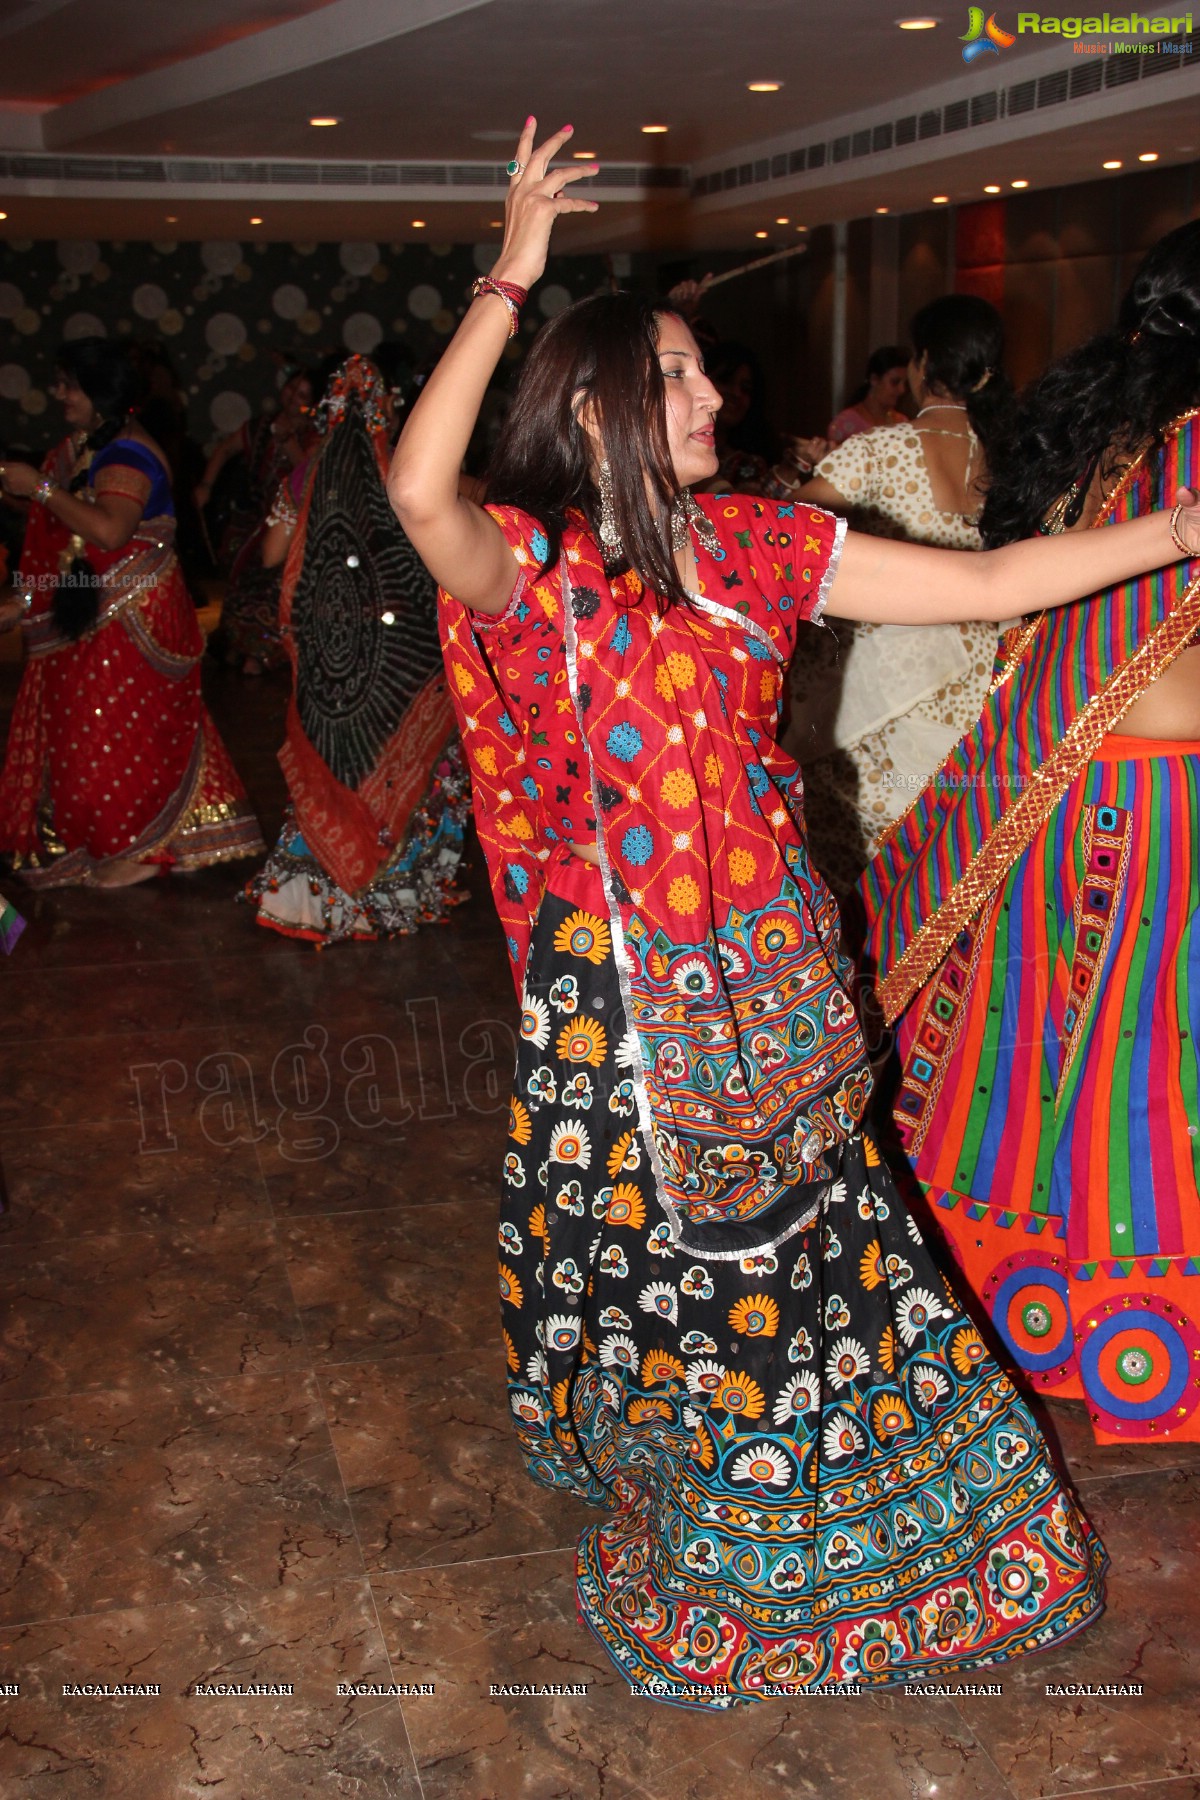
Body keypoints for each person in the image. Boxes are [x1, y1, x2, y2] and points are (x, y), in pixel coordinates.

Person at [387, 118, 1200, 1706]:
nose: (710, 397)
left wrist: (1179, 533)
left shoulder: (762, 546)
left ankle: (860, 1508)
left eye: (702, 376)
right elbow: (423, 489)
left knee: (825, 1243)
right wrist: (511, 276)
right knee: (675, 1259)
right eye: (676, 377)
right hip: (624, 996)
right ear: (602, 401)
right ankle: (726, 1502)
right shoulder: (538, 574)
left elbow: (992, 585)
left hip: (777, 974)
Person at [861, 220, 1200, 1446]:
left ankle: (1015, 1302)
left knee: (1032, 1034)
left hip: (1053, 787)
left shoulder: (1101, 433)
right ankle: (1141, 1331)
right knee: (1146, 1055)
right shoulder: (1190, 456)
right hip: (1164, 802)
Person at [0, 337, 264, 887]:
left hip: (133, 618)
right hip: (97, 615)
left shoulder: (128, 452)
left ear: (99, 391)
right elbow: (65, 525)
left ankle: (141, 849)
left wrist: (41, 487)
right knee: (91, 732)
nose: (59, 394)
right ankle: (108, 840)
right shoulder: (86, 445)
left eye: (68, 384)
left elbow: (110, 528)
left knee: (125, 731)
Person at [786, 295, 1014, 893]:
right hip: (977, 696)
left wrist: (806, 476)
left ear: (924, 362)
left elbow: (789, 536)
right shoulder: (1016, 462)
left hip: (876, 696)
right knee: (940, 867)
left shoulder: (877, 450)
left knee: (861, 868)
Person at [243, 354, 469, 943]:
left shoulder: (308, 475)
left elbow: (272, 555)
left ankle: (315, 899)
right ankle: (395, 898)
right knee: (407, 768)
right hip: (407, 656)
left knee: (327, 765)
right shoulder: (415, 471)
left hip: (330, 656)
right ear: (391, 409)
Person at [197, 367, 316, 674]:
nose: (293, 398)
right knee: (241, 584)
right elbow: (225, 449)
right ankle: (238, 648)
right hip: (252, 522)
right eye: (292, 389)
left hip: (290, 529)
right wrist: (206, 486)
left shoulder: (315, 436)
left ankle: (263, 654)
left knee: (275, 583)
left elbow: (309, 479)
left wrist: (291, 447)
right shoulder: (261, 427)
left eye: (303, 395)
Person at [827, 344, 909, 447]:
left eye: (905, 384)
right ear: (874, 379)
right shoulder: (844, 424)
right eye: (894, 382)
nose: (902, 390)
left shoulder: (903, 423)